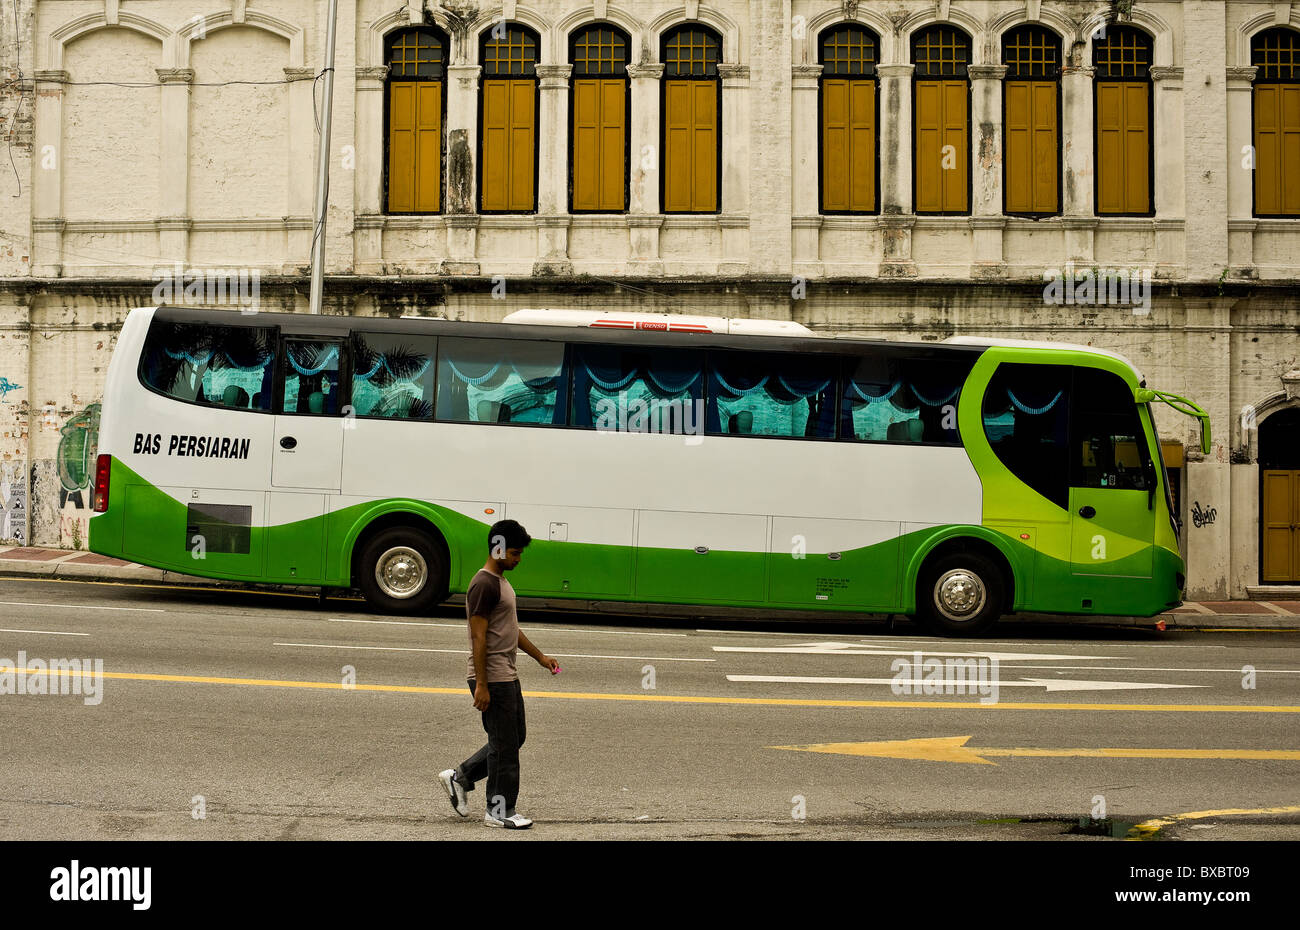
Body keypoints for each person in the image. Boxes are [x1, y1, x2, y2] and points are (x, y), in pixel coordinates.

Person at [438, 519, 558, 829]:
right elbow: (478, 637)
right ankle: (499, 810)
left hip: (507, 673)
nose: (519, 559)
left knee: (513, 738)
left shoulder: (501, 582)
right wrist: (482, 684)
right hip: (492, 676)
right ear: (499, 548)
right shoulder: (485, 584)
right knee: (505, 745)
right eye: (516, 553)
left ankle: (460, 777)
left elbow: (510, 630)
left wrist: (540, 657)